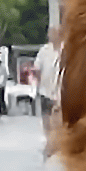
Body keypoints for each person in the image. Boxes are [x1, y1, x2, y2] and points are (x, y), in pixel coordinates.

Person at [34, 28, 62, 159]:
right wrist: (38, 84)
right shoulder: (44, 51)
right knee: (46, 120)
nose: (50, 36)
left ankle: (53, 145)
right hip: (45, 91)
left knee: (57, 120)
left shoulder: (66, 50)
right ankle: (50, 143)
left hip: (61, 92)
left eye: (53, 33)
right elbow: (37, 68)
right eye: (50, 33)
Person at [0, 52, 8, 116]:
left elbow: (3, 76)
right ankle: (1, 110)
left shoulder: (2, 67)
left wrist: (2, 83)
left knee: (0, 97)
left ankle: (2, 110)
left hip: (1, 85)